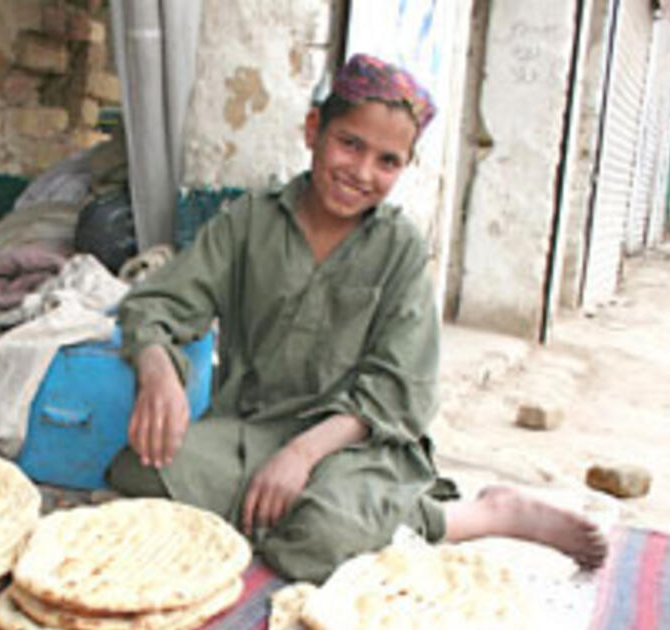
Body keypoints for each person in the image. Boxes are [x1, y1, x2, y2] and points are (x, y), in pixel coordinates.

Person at [107, 53, 608, 582]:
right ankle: (296, 509)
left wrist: (302, 455)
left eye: (387, 161)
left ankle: (484, 515)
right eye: (350, 144)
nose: (362, 172)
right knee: (139, 471)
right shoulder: (249, 221)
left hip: (358, 445)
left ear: (404, 167)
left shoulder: (401, 249)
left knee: (322, 539)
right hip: (253, 430)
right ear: (313, 130)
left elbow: (399, 391)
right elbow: (157, 303)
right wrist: (158, 373)